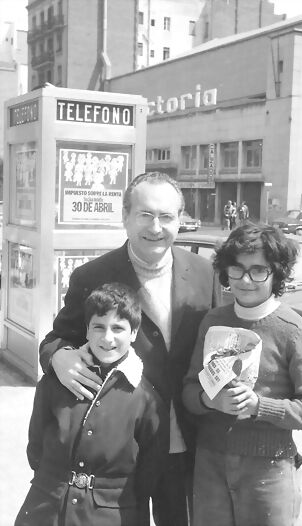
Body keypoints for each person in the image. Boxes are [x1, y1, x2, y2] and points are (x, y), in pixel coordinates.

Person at [39, 171, 221, 526]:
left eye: (167, 216)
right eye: (145, 214)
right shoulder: (92, 276)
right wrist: (58, 357)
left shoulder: (203, 273)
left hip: (182, 442)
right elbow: (56, 340)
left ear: (180, 220)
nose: (156, 227)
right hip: (120, 451)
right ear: (125, 217)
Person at [182, 223, 302, 526]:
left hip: (269, 468)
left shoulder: (292, 329)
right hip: (210, 463)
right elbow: (188, 391)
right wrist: (210, 402)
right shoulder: (212, 320)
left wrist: (258, 406)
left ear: (276, 273)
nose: (246, 280)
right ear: (225, 272)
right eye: (237, 270)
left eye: (259, 270)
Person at [15, 282, 168, 526]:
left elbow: (149, 473)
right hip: (47, 508)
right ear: (87, 330)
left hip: (113, 514)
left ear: (134, 333)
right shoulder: (55, 384)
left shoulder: (147, 399)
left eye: (118, 328)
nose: (108, 338)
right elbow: (36, 449)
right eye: (99, 327)